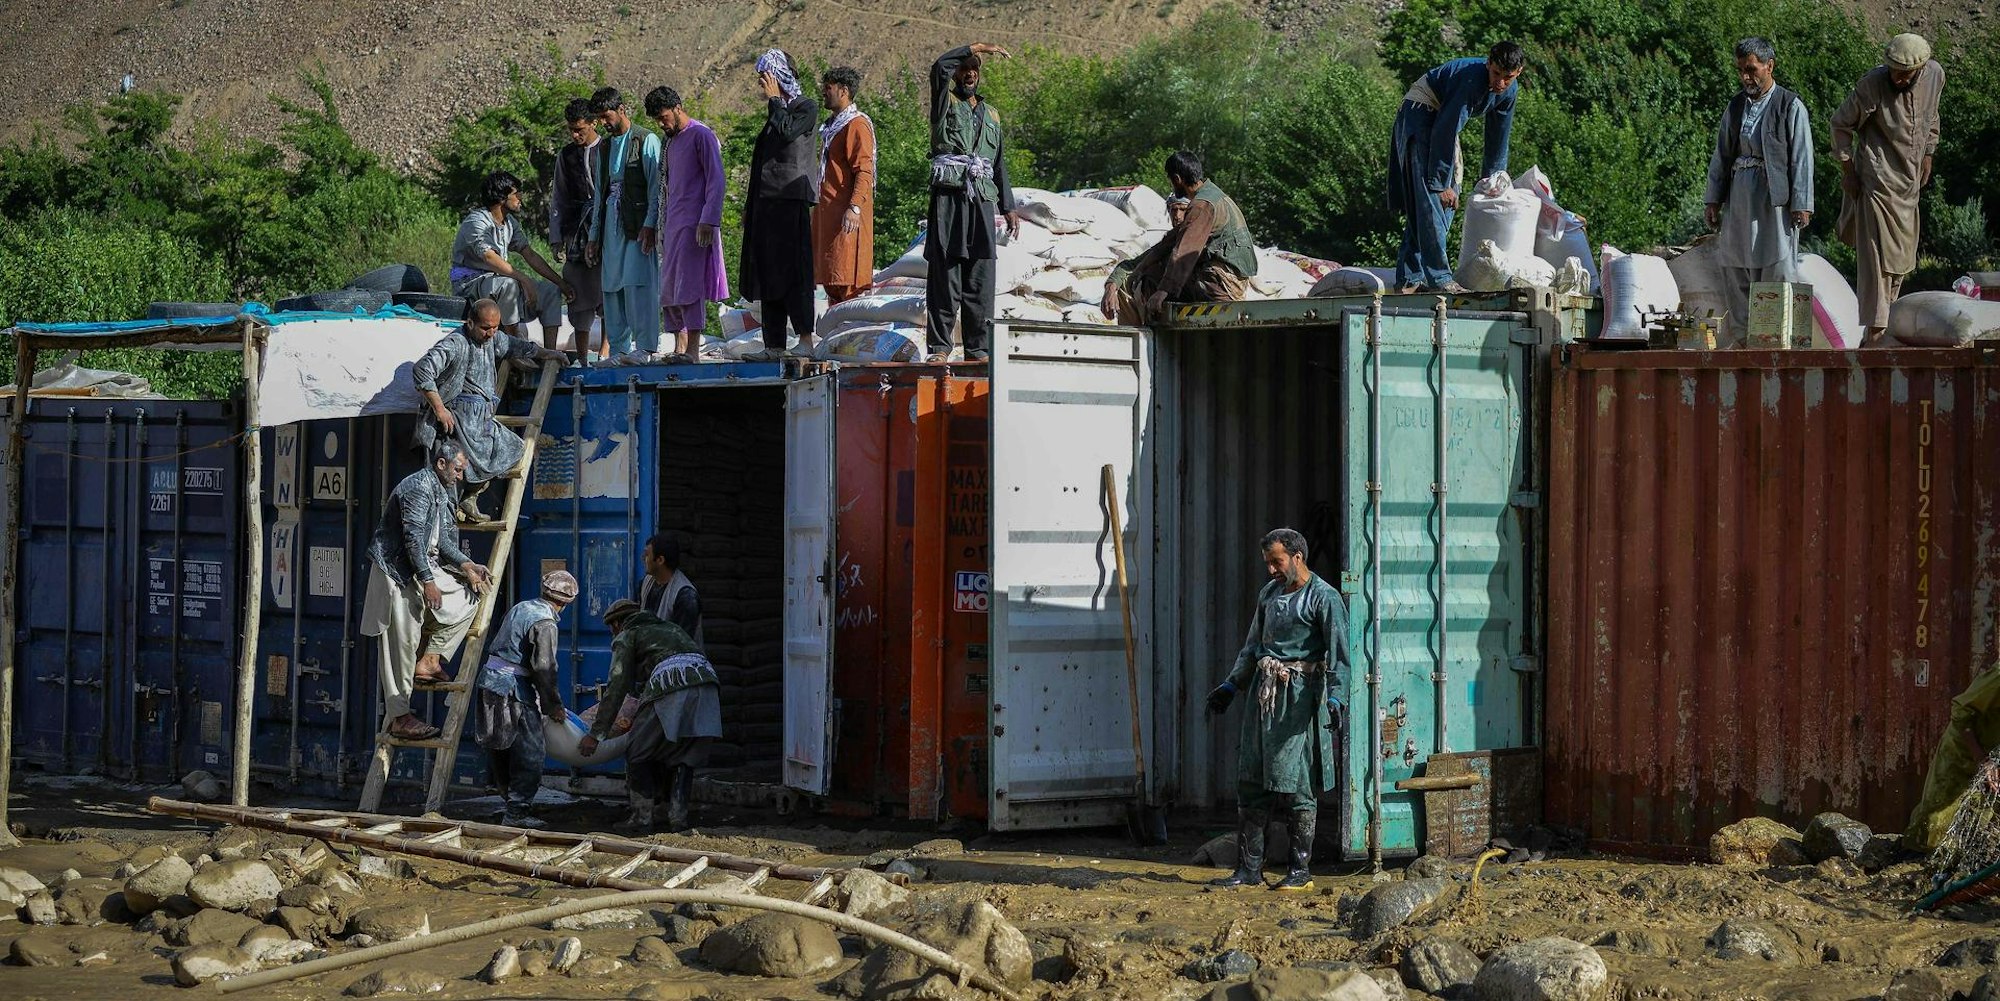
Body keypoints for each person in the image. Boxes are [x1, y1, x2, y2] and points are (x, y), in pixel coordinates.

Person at [1205, 528, 1350, 892]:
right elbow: (1253, 646)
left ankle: (1300, 871)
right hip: (1264, 697)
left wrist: (1336, 698)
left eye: (1276, 561)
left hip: (1299, 700)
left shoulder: (1324, 598)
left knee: (1298, 784)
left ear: (1297, 557)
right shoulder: (1269, 594)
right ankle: (1248, 870)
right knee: (1251, 779)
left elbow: (1341, 656)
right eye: (1268, 562)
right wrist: (1231, 684)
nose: (1270, 569)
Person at [361, 442, 492, 741]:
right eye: (458, 470)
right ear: (441, 464)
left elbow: (443, 541)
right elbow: (412, 541)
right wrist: (428, 581)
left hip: (423, 568)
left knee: (468, 598)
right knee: (401, 645)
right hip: (398, 572)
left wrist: (467, 564)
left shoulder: (441, 490)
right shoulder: (418, 487)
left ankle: (431, 659)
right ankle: (400, 717)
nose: (460, 476)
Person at [1832, 33, 1945, 346]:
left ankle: (1884, 325)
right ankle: (1876, 329)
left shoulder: (1934, 75)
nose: (1897, 78)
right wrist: (1848, 170)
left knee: (1900, 261)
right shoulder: (1872, 85)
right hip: (1876, 182)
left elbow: (1932, 117)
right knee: (1876, 259)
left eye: (1905, 73)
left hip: (1908, 186)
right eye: (1893, 70)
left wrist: (1928, 155)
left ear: (1920, 69)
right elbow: (1840, 125)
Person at [1388, 41, 1526, 295]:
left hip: (1442, 124)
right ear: (1488, 64)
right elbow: (1446, 129)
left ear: (1518, 73)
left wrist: (1494, 180)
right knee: (1432, 200)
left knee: (1443, 204)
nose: (1500, 83)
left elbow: (1498, 137)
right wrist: (1440, 184)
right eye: (1496, 74)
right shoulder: (1471, 80)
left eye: (1508, 78)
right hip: (1420, 113)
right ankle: (1438, 278)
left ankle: (1409, 278)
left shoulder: (1509, 91)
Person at [411, 299, 566, 521]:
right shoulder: (455, 343)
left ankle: (471, 497)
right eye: (485, 328)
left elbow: (518, 346)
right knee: (458, 469)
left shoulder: (494, 340)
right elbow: (422, 369)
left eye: (495, 327)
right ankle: (453, 510)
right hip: (461, 418)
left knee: (513, 448)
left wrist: (549, 353)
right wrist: (439, 408)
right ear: (470, 323)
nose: (491, 333)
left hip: (482, 418)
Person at [1703, 38, 1814, 346]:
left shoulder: (1790, 105)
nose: (1745, 78)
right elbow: (1722, 153)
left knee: (1776, 264)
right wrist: (1713, 199)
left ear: (1769, 66)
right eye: (1741, 71)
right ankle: (1742, 339)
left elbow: (1802, 158)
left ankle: (1777, 339)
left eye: (1751, 70)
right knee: (1737, 266)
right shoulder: (1736, 106)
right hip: (1739, 196)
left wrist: (1802, 203)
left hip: (1774, 200)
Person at [579, 599, 719, 833]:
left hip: (671, 683)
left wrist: (596, 733)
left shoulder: (627, 635)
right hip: (706, 683)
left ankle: (641, 816)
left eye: (611, 628)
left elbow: (617, 687)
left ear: (616, 623)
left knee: (638, 749)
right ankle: (677, 817)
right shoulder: (671, 628)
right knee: (684, 753)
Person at [924, 43, 1021, 362]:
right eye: (964, 69)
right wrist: (977, 46)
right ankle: (940, 348)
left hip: (981, 200)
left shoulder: (991, 113)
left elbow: (999, 162)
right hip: (949, 199)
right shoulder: (944, 101)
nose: (969, 74)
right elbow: (939, 66)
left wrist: (1007, 206)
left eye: (974, 69)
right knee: (946, 273)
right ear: (956, 74)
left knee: (980, 276)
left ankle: (978, 348)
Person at [1102, 152, 1255, 325]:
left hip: (1220, 284)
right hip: (1227, 280)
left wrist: (1162, 291)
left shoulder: (1201, 206)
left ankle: (1152, 335)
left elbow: (1184, 253)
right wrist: (1133, 271)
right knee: (1147, 269)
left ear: (1177, 179)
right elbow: (1166, 245)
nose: (1177, 215)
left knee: (1148, 278)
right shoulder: (1216, 196)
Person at [473, 570, 576, 828]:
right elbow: (544, 669)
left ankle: (509, 801)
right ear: (565, 603)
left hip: (489, 684)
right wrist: (554, 706)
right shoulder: (546, 623)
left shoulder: (522, 607)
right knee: (530, 751)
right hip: (513, 690)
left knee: (500, 747)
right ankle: (517, 812)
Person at [741, 49, 822, 359]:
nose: (763, 85)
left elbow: (789, 132)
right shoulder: (775, 113)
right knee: (768, 272)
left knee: (794, 272)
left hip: (790, 200)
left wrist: (776, 100)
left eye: (767, 78)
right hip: (766, 204)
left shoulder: (805, 107)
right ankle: (773, 345)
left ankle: (804, 339)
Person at [646, 86, 729, 364]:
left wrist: (708, 219)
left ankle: (692, 349)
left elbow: (716, 179)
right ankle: (679, 347)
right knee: (670, 286)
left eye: (664, 116)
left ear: (677, 107)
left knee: (689, 285)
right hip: (671, 224)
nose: (661, 123)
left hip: (695, 225)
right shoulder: (669, 141)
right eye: (657, 119)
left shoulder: (701, 135)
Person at [586, 87, 665, 364]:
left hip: (638, 223)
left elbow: (656, 187)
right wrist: (594, 236)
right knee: (611, 286)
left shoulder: (646, 139)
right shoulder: (604, 147)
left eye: (607, 116)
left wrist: (650, 223)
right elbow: (600, 194)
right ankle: (619, 349)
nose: (604, 124)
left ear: (621, 109)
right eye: (600, 119)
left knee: (637, 283)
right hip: (611, 222)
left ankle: (644, 347)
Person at [448, 170, 574, 339]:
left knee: (550, 291)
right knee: (508, 285)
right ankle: (513, 347)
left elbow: (529, 254)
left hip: (497, 281)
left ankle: (551, 359)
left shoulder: (510, 223)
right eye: (516, 194)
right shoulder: (476, 221)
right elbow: (489, 257)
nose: (520, 198)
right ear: (501, 198)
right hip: (471, 284)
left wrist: (561, 283)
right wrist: (523, 278)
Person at [1905, 667, 2000, 853]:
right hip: (1962, 752)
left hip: (1994, 754)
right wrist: (1982, 760)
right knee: (1932, 826)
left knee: (1979, 823)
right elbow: (1961, 710)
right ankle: (1910, 866)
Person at [549, 99, 606, 364]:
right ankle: (583, 358)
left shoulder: (608, 149)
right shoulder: (566, 155)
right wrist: (556, 237)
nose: (575, 135)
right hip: (576, 234)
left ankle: (606, 355)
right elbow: (558, 196)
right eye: (571, 129)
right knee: (579, 296)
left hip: (608, 232)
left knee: (609, 295)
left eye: (580, 129)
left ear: (594, 123)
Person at [814, 66, 877, 306]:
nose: (823, 92)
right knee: (832, 280)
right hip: (828, 216)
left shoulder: (856, 125)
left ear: (844, 91)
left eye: (828, 88)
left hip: (846, 217)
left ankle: (847, 340)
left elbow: (864, 171)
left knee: (846, 279)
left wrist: (854, 207)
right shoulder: (832, 127)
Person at [1102, 196, 1190, 323]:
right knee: (1128, 282)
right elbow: (1130, 265)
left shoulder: (1204, 236)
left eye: (1183, 210)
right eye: (1173, 210)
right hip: (1164, 302)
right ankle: (1137, 338)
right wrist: (1110, 288)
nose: (1177, 216)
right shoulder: (1167, 243)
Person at [637, 533, 702, 643]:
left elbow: (681, 644)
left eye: (647, 555)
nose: (643, 558)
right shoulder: (645, 583)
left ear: (660, 560)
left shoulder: (686, 596)